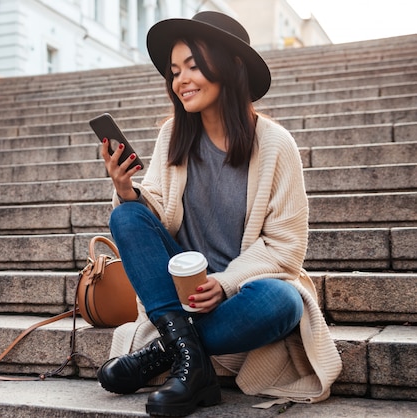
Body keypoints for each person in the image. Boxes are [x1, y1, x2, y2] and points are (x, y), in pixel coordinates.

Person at [96, 11, 342, 417]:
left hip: (241, 292)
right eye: (175, 71)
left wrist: (225, 283)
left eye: (193, 66)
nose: (181, 80)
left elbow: (287, 246)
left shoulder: (276, 145)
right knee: (126, 216)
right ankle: (193, 366)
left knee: (283, 301)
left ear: (232, 67)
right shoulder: (172, 134)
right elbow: (154, 213)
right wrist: (125, 189)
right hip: (180, 290)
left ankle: (164, 354)